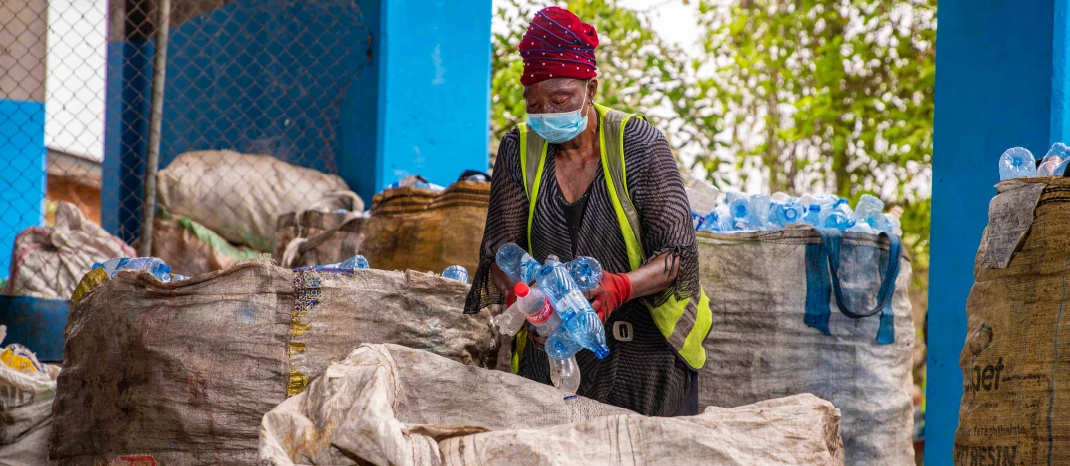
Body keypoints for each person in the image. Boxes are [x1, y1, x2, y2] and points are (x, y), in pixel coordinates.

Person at [464, 6, 712, 417]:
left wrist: (619, 287)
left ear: (591, 89)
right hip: (554, 352)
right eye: (534, 103)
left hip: (644, 354)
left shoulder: (637, 143)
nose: (546, 114)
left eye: (560, 100)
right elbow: (499, 252)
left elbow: (677, 257)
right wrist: (533, 302)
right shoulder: (518, 149)